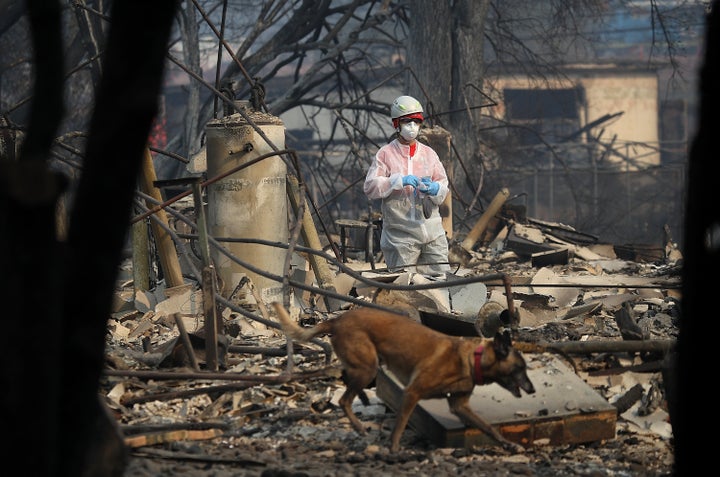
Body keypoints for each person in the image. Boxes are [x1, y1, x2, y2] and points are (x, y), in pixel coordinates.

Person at [363, 95, 450, 275]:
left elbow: (443, 184)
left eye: (416, 121)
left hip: (432, 234)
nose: (412, 126)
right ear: (397, 124)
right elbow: (370, 187)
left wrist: (435, 189)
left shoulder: (429, 154)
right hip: (400, 236)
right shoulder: (385, 154)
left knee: (440, 282)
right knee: (403, 287)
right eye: (407, 121)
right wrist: (397, 181)